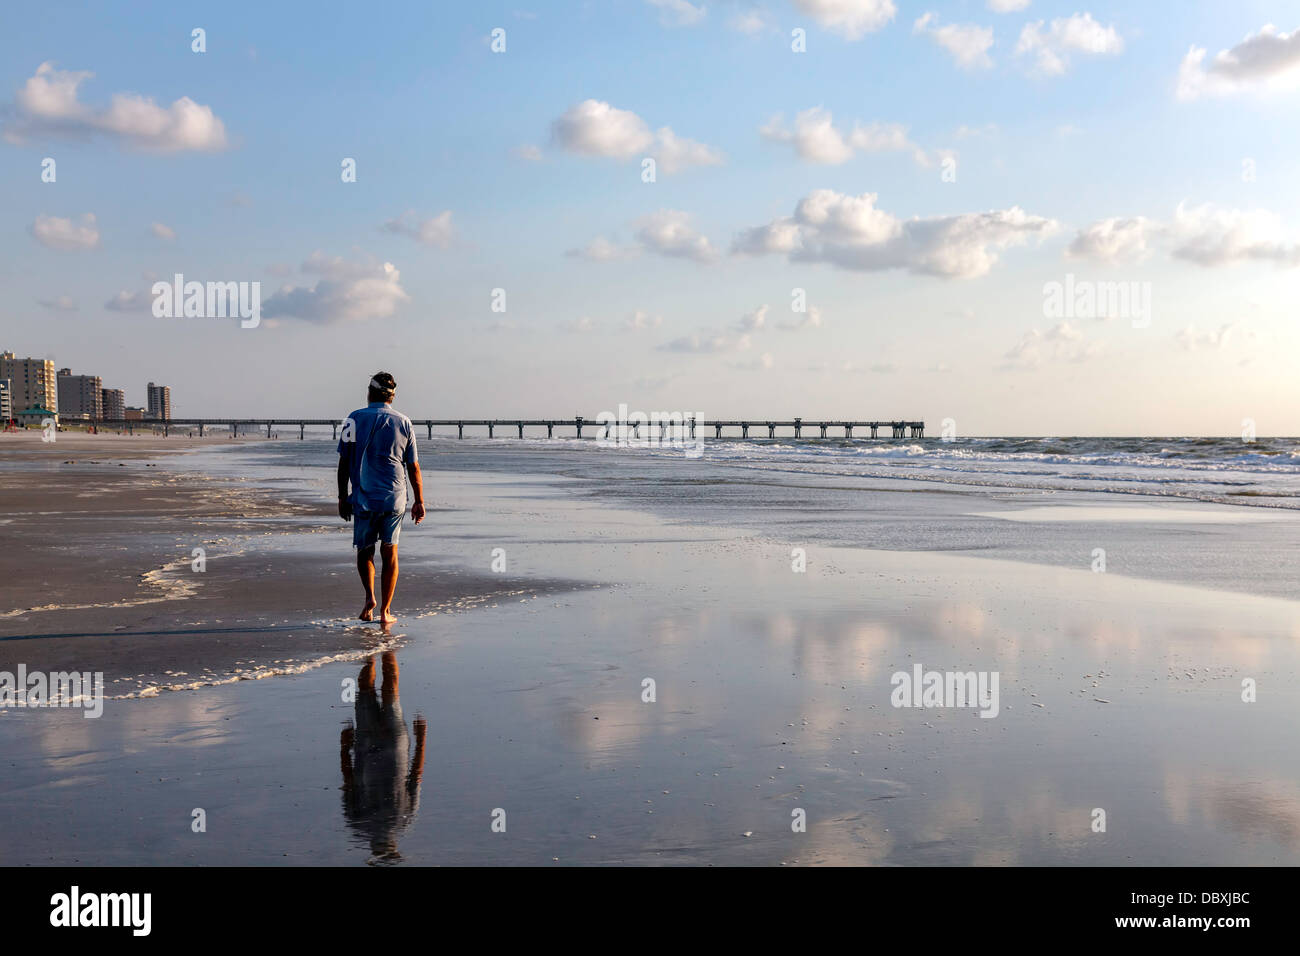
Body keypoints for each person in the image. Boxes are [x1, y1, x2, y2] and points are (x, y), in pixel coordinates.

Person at [337, 372, 425, 622]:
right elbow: (413, 466)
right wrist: (419, 500)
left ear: (370, 393)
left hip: (364, 497)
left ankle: (369, 599)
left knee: (365, 551)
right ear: (392, 397)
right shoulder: (405, 422)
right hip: (394, 498)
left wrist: (343, 496)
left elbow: (343, 462)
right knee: (390, 551)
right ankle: (386, 611)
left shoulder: (353, 419)